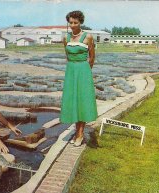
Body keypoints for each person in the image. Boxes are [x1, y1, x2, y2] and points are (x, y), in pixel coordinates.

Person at [60, 10, 98, 147]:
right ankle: (77, 132)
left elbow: (92, 57)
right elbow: (67, 54)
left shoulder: (88, 36)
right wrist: (73, 68)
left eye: (76, 22)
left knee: (82, 102)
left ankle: (80, 134)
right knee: (73, 102)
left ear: (81, 22)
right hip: (71, 70)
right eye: (71, 22)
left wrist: (86, 72)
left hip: (83, 71)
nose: (73, 25)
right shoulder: (65, 37)